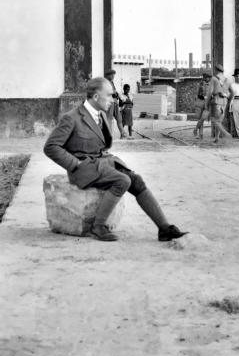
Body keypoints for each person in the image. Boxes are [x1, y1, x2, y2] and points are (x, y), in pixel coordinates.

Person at [43, 77, 188, 242]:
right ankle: (97, 227)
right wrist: (75, 163)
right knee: (122, 181)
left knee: (137, 181)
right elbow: (51, 147)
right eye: (110, 95)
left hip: (102, 162)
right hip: (84, 169)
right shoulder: (72, 117)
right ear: (96, 97)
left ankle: (164, 228)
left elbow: (101, 145)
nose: (113, 99)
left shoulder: (101, 115)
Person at [207, 64, 233, 143]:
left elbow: (210, 92)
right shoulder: (227, 80)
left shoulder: (214, 79)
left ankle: (226, 134)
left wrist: (207, 103)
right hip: (224, 102)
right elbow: (233, 92)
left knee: (214, 120)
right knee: (219, 120)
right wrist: (228, 98)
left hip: (216, 101)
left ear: (216, 70)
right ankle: (217, 138)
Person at [103, 69, 126, 139]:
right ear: (108, 75)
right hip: (110, 102)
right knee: (109, 119)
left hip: (115, 102)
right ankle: (108, 136)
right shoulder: (105, 82)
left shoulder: (111, 82)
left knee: (119, 119)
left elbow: (114, 91)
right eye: (112, 75)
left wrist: (118, 95)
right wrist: (116, 93)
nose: (113, 76)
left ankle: (123, 134)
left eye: (113, 75)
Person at [193, 70, 212, 139]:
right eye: (207, 77)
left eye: (209, 77)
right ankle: (201, 135)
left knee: (203, 118)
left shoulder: (211, 84)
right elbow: (200, 93)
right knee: (200, 119)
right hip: (200, 102)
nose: (209, 78)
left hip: (207, 103)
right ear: (204, 77)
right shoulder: (201, 84)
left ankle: (195, 129)